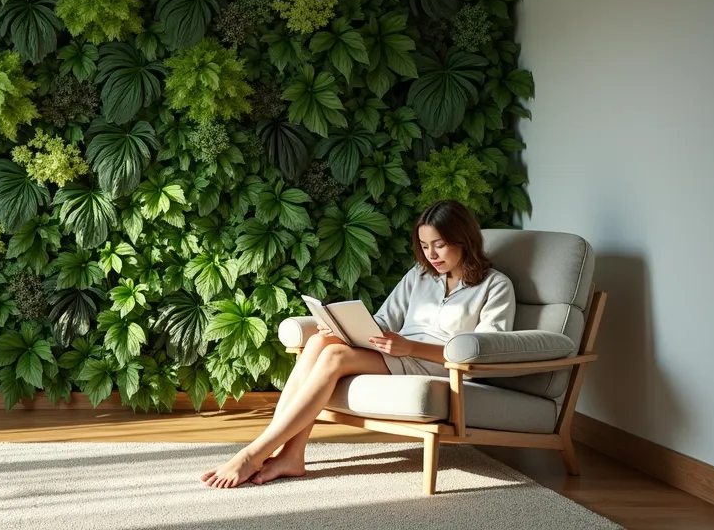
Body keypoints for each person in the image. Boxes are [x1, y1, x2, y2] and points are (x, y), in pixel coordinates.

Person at [201, 199, 516, 488]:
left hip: (440, 365)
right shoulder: (420, 276)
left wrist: (411, 348)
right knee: (320, 342)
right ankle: (291, 456)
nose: (431, 255)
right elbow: (383, 321)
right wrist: (341, 326)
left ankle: (253, 453)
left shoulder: (495, 286)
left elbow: (486, 353)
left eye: (439, 245)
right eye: (424, 245)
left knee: (335, 357)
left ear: (464, 240)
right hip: (399, 353)